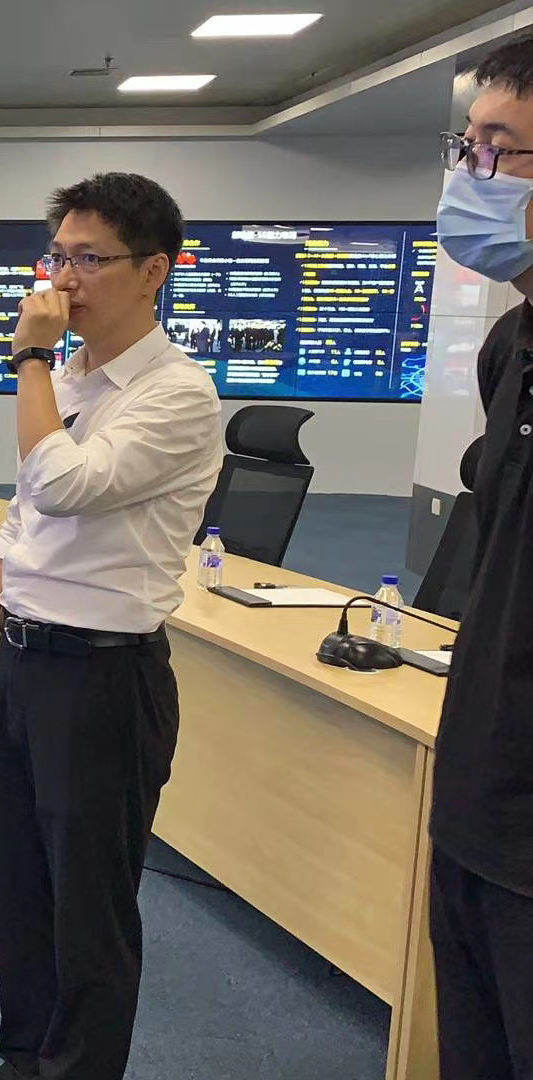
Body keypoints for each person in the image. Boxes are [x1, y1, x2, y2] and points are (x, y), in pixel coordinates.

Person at [0, 173, 221, 1080]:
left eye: (89, 259)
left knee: (88, 910)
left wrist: (27, 358)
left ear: (154, 271)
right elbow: (22, 529)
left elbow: (60, 484)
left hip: (104, 678)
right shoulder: (67, 379)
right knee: (16, 891)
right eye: (58, 257)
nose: (63, 278)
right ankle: (23, 1064)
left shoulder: (176, 394)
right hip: (23, 663)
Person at [426, 36, 533, 1078]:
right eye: (470, 147)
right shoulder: (511, 347)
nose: (474, 176)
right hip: (475, 795)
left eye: (500, 149)